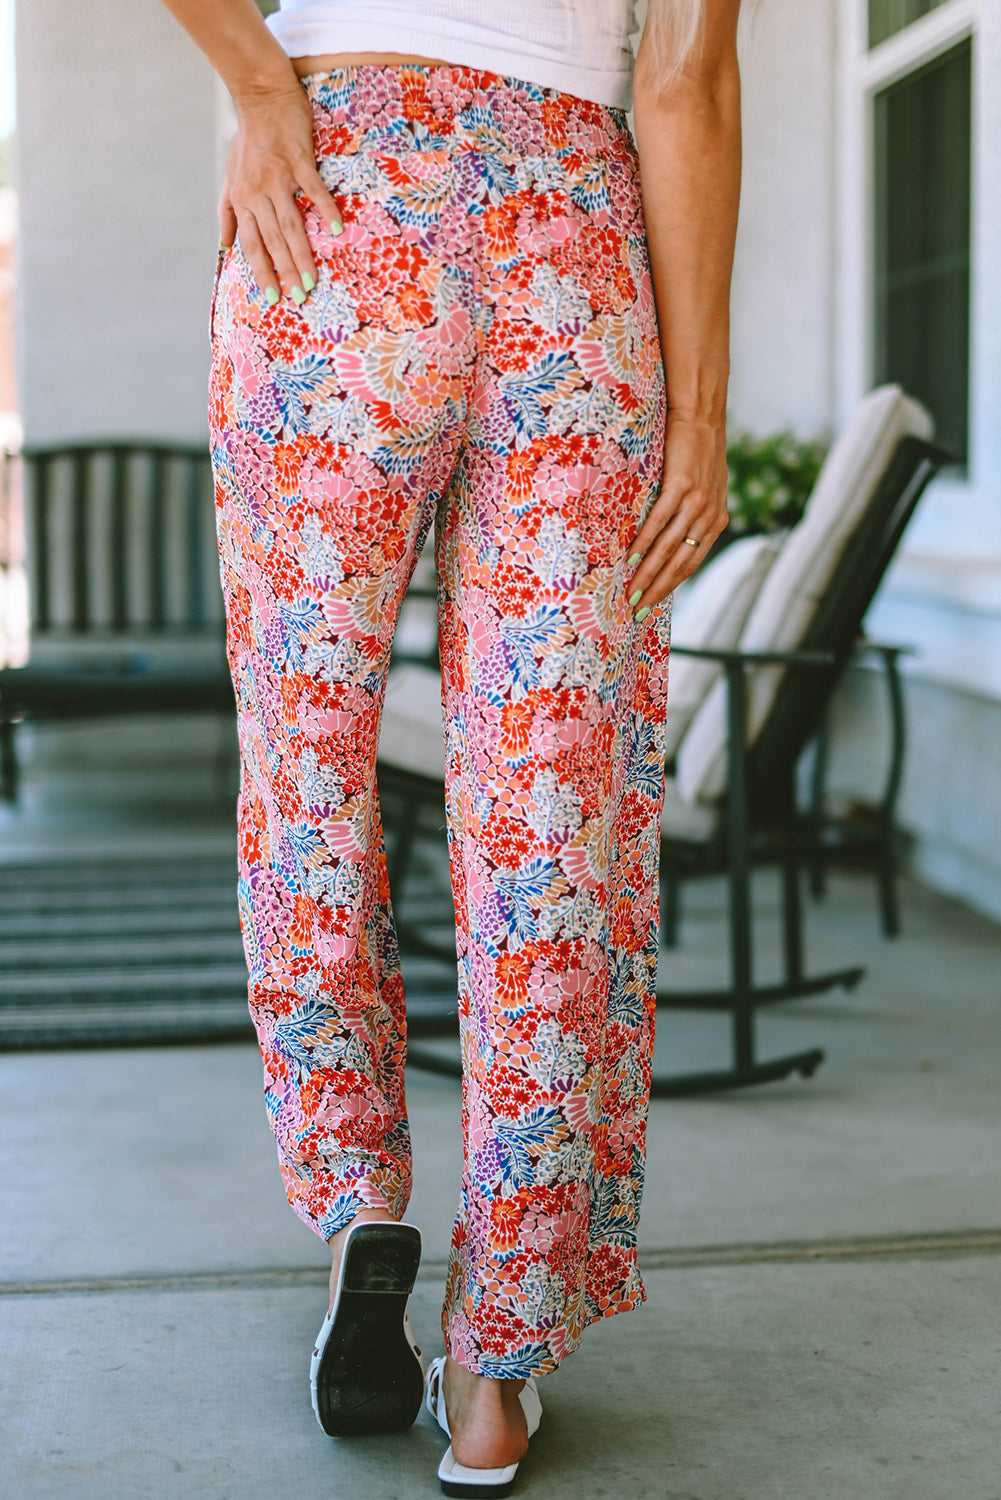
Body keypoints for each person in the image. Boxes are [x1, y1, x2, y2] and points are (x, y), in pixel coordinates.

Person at [158, 0, 741, 1491]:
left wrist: (254, 79)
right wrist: (698, 410)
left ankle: (359, 1191)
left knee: (307, 755)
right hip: (574, 240)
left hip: (339, 195)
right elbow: (680, 81)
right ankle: (497, 1361)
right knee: (554, 809)